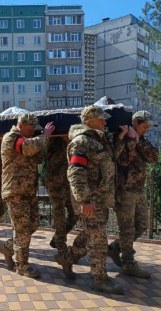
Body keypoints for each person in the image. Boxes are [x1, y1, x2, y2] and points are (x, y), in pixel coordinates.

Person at [56, 105, 123, 294]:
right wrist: (84, 200)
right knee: (99, 239)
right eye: (101, 118)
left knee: (89, 233)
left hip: (100, 200)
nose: (105, 121)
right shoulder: (81, 142)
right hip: (90, 201)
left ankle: (67, 258)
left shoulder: (99, 141)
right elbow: (76, 173)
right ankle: (99, 278)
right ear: (88, 122)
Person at [0, 114, 55, 277]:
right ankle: (22, 265)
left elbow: (37, 157)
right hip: (15, 192)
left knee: (33, 225)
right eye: (31, 129)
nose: (33, 132)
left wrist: (42, 140)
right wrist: (45, 136)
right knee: (22, 229)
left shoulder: (28, 138)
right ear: (21, 125)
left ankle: (9, 247)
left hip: (29, 191)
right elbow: (28, 148)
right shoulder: (11, 138)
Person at [108, 110, 159, 278]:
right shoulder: (120, 137)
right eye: (144, 126)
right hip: (125, 190)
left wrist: (138, 141)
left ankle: (115, 248)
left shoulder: (140, 139)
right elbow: (122, 160)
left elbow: (154, 157)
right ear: (135, 122)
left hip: (138, 189)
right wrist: (130, 140)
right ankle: (128, 263)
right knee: (127, 229)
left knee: (142, 225)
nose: (146, 130)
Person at [45, 137, 78, 257]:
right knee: (60, 217)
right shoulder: (54, 143)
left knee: (75, 214)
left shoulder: (69, 143)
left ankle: (57, 239)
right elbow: (55, 162)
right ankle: (61, 249)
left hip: (67, 185)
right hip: (55, 185)